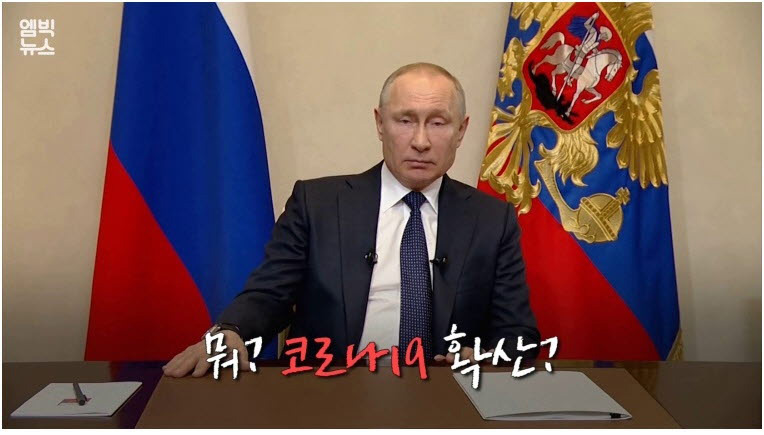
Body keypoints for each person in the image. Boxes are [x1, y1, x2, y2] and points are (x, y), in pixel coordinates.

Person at [163, 62, 539, 378]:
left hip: (445, 397)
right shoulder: (318, 204)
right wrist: (231, 331)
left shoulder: (492, 220)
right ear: (380, 123)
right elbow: (269, 295)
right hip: (329, 391)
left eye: (438, 123)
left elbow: (518, 334)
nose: (421, 141)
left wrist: (487, 357)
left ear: (461, 131)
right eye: (405, 120)